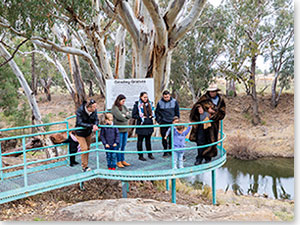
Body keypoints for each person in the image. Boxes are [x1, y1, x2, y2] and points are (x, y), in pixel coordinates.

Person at [189, 84, 226, 163]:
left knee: (210, 141)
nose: (211, 93)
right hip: (202, 124)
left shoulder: (220, 100)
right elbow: (196, 106)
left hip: (213, 126)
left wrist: (213, 113)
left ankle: (208, 157)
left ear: (216, 92)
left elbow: (222, 113)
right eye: (210, 92)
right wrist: (199, 107)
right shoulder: (204, 98)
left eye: (213, 92)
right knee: (200, 140)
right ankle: (199, 157)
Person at [75, 99, 99, 172]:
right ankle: (84, 166)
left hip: (88, 132)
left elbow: (96, 119)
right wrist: (91, 126)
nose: (95, 109)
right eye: (94, 107)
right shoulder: (80, 111)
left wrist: (95, 125)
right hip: (80, 133)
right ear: (89, 108)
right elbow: (79, 122)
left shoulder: (94, 111)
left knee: (88, 148)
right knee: (84, 148)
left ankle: (86, 164)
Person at [155, 90, 180, 158]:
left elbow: (177, 112)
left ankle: (171, 150)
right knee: (164, 137)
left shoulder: (174, 102)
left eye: (167, 97)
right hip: (163, 123)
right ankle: (165, 151)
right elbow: (157, 112)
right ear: (163, 96)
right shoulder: (160, 103)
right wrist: (159, 121)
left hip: (172, 123)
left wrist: (177, 120)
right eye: (165, 97)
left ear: (170, 96)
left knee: (172, 137)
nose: (166, 98)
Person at [132, 92, 155, 161]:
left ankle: (149, 154)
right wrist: (141, 117)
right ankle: (140, 155)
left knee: (148, 140)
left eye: (146, 97)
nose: (145, 99)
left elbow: (153, 112)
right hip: (141, 125)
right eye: (144, 97)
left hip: (149, 124)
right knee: (140, 141)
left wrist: (151, 116)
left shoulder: (150, 104)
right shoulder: (137, 105)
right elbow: (134, 115)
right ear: (141, 97)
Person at [111, 94, 131, 168]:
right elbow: (120, 117)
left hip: (125, 129)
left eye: (124, 101)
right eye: (122, 101)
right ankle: (118, 161)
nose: (123, 102)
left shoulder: (124, 107)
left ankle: (122, 159)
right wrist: (125, 115)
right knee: (118, 146)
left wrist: (125, 115)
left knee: (123, 145)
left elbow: (129, 115)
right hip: (118, 130)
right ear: (118, 100)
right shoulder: (114, 108)